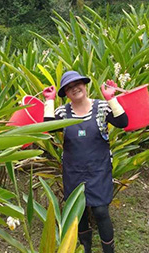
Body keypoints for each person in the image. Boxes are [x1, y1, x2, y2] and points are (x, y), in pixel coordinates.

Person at [42, 71, 128, 253]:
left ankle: (109, 251)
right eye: (69, 87)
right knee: (78, 212)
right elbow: (47, 127)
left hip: (99, 169)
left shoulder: (102, 107)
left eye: (77, 84)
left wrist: (111, 98)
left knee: (101, 211)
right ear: (65, 93)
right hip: (73, 170)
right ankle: (85, 248)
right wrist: (49, 100)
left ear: (85, 85)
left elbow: (122, 122)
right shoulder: (62, 113)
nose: (75, 89)